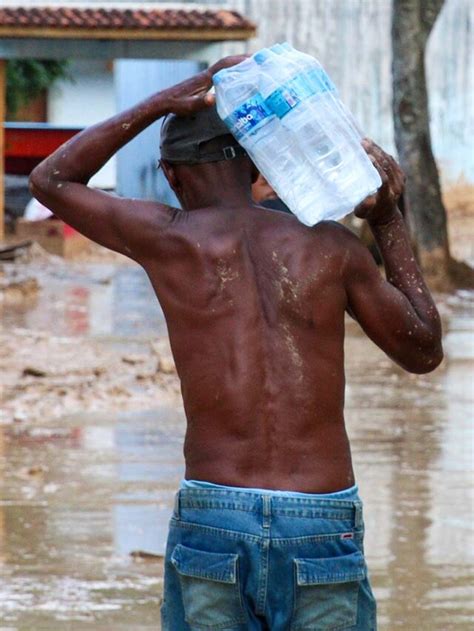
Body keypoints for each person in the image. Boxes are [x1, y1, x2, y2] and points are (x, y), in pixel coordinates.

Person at [29, 57, 443, 631]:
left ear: (171, 175)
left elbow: (49, 181)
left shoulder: (169, 239)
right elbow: (424, 350)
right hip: (321, 518)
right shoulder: (330, 247)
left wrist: (158, 102)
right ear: (255, 165)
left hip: (213, 512)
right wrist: (389, 216)